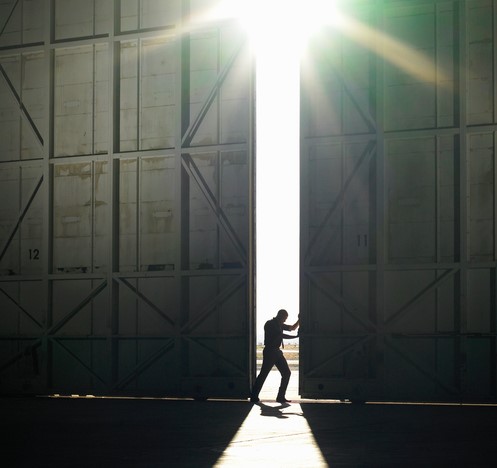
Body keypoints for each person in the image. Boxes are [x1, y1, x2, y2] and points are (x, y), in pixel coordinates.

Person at [250, 309, 299, 404]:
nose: (285, 320)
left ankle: (280, 396)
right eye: (285, 318)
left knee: (286, 373)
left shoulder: (279, 324)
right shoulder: (270, 324)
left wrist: (299, 320)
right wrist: (296, 337)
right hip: (270, 351)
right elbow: (281, 335)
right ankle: (254, 396)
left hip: (276, 351)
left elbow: (292, 328)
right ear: (280, 316)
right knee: (264, 374)